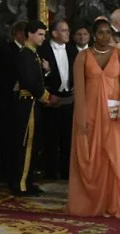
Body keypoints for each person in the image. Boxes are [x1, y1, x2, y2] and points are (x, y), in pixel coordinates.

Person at [68, 19, 120, 218]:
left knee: (113, 157)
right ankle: (90, 201)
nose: (104, 37)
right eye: (100, 33)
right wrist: (80, 117)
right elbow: (79, 90)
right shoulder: (83, 57)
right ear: (94, 35)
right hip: (90, 113)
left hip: (114, 115)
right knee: (90, 158)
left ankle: (112, 202)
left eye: (107, 33)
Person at [10, 20, 60, 196]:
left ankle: (28, 180)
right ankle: (21, 183)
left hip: (33, 103)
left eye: (44, 35)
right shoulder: (24, 54)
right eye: (40, 34)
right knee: (26, 143)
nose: (43, 38)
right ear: (29, 34)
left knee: (34, 143)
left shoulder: (33, 54)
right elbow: (29, 82)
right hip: (26, 104)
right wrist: (46, 97)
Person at [0, 20, 26, 181]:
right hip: (5, 104)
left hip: (21, 104)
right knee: (6, 139)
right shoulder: (3, 50)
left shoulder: (29, 51)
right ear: (17, 34)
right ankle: (6, 173)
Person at [38, 20, 75, 180]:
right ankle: (51, 172)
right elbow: (38, 76)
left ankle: (67, 171)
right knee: (51, 137)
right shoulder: (42, 50)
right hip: (50, 98)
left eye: (68, 30)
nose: (68, 33)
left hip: (69, 99)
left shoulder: (73, 50)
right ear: (54, 33)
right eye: (64, 30)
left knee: (68, 137)